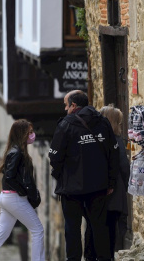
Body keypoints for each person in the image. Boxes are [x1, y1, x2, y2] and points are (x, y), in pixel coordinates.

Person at [49, 90, 119, 261]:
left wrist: (60, 176)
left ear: (73, 106)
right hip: (99, 186)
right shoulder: (103, 122)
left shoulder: (65, 125)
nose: (65, 109)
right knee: (98, 226)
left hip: (72, 189)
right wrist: (110, 182)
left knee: (72, 228)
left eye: (66, 105)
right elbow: (113, 154)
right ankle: (102, 258)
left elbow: (54, 157)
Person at [0, 119, 45, 261]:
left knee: (1, 234)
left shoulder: (14, 150)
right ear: (22, 133)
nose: (32, 135)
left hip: (7, 197)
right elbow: (10, 177)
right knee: (38, 230)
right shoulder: (17, 152)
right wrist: (24, 192)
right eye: (29, 132)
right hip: (14, 198)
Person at [84, 104, 130, 260]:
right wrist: (126, 183)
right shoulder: (116, 140)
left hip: (92, 190)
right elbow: (123, 166)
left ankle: (91, 256)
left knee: (92, 226)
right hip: (113, 191)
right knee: (110, 227)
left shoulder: (90, 138)